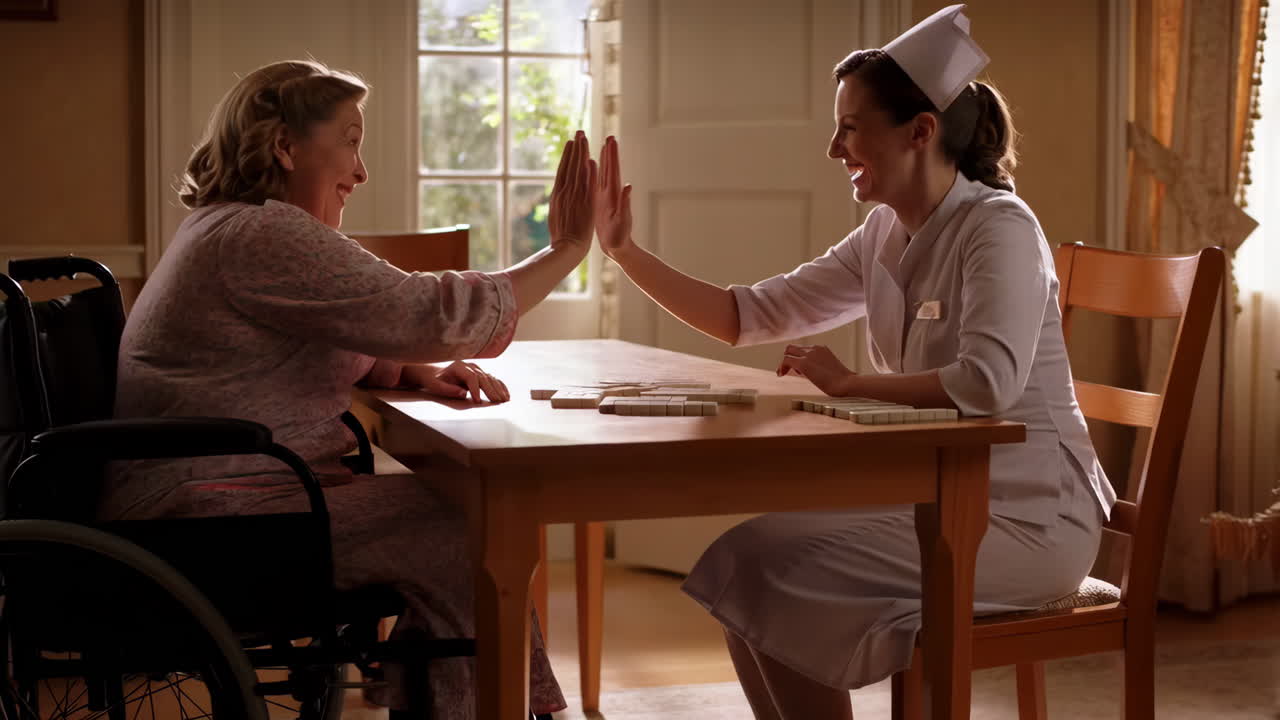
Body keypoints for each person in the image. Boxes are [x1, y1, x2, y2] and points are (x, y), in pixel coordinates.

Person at [591, 5, 1116, 719]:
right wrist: (624, 252)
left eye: (850, 127)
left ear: (920, 132)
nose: (834, 148)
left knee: (761, 570)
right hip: (940, 502)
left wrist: (849, 382)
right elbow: (748, 316)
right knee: (744, 570)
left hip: (1030, 521)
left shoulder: (1000, 228)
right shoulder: (882, 233)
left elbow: (987, 384)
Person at [105, 59, 594, 719]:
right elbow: (431, 313)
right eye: (351, 141)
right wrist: (566, 247)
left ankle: (462, 701)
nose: (361, 172)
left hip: (204, 503)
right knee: (468, 528)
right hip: (212, 522)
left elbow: (318, 336)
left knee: (460, 517)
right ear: (286, 146)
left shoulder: (225, 226)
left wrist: (409, 369)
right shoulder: (261, 233)